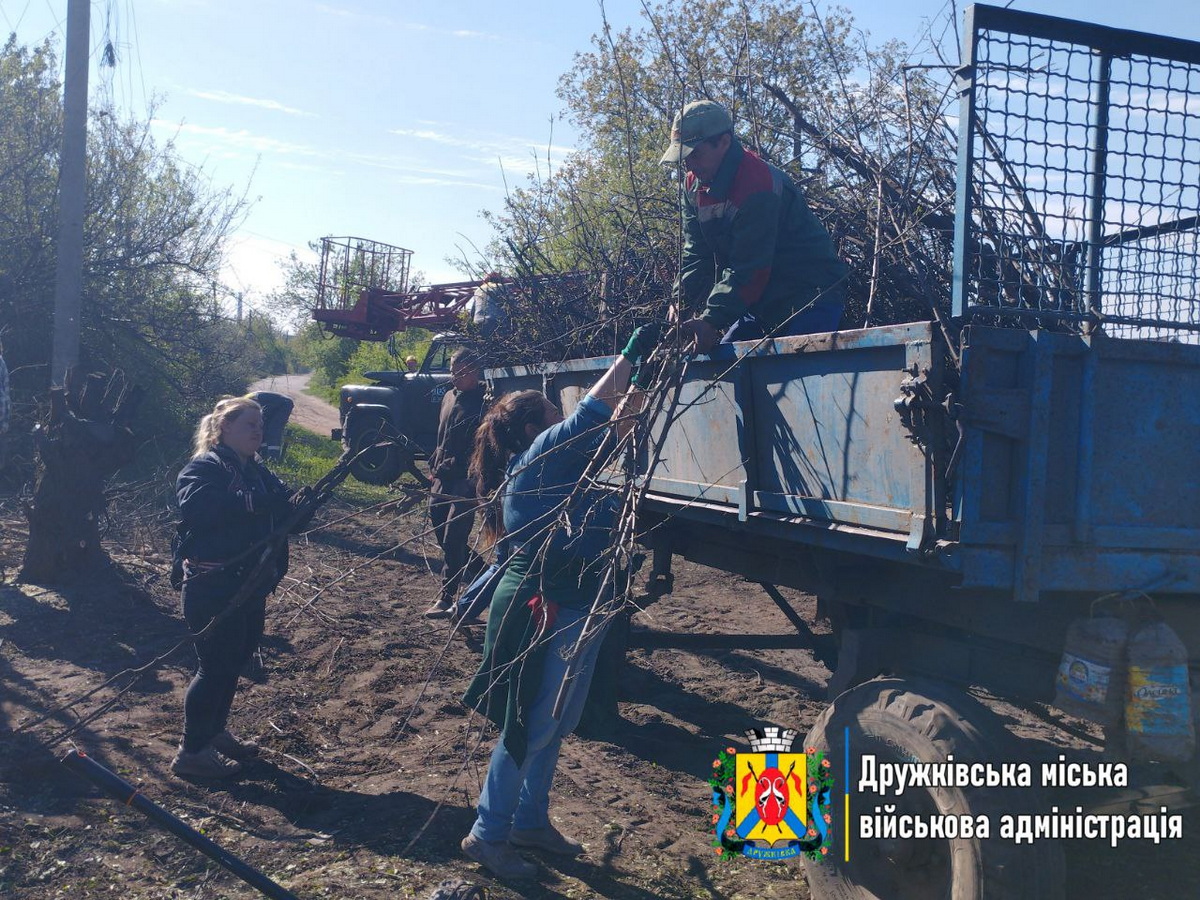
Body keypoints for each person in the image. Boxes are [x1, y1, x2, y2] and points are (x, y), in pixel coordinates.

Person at [459, 327, 656, 880]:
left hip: (574, 597)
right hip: (540, 600)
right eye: (553, 411)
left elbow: (611, 431)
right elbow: (594, 412)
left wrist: (639, 389)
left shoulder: (563, 466)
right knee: (528, 721)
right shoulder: (541, 455)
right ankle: (488, 833)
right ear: (534, 426)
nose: (561, 417)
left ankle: (529, 821)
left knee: (557, 719)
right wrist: (630, 355)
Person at [172, 396, 308, 778]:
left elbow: (284, 515)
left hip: (250, 584)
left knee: (234, 661)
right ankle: (191, 751)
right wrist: (259, 503)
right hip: (212, 586)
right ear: (225, 428)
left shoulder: (257, 470)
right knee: (213, 667)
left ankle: (213, 732)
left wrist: (302, 506)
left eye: (261, 425)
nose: (258, 431)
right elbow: (200, 508)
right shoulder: (205, 467)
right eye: (250, 424)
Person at [660, 99, 849, 354]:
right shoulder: (692, 186)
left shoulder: (758, 186)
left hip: (810, 298)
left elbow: (750, 269)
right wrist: (679, 301)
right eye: (683, 156)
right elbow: (696, 253)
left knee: (795, 374)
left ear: (724, 142)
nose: (688, 164)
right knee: (722, 371)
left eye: (695, 154)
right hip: (760, 305)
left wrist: (711, 319)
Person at [425, 349, 487, 618]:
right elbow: (442, 435)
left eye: (461, 372)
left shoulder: (484, 401)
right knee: (439, 527)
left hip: (466, 480)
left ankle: (447, 596)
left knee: (454, 535)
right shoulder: (449, 397)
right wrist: (434, 463)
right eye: (453, 371)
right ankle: (484, 573)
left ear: (475, 372)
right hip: (441, 476)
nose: (455, 377)